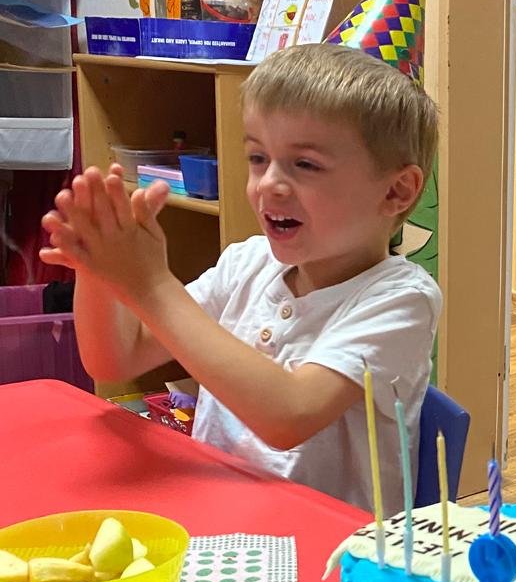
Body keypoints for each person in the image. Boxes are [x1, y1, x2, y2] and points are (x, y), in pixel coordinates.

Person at [42, 43, 439, 514]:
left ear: (395, 191)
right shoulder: (247, 263)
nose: (268, 183)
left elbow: (289, 415)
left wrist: (151, 286)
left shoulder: (401, 299)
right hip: (219, 517)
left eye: (305, 164)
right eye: (257, 158)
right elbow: (115, 359)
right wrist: (99, 271)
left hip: (329, 544)